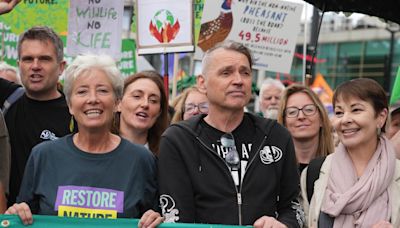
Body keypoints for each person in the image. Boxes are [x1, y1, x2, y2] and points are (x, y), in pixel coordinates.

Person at [5, 54, 162, 228]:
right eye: (82, 91)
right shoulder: (43, 156)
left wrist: (155, 219)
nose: (92, 99)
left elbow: (153, 216)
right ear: (70, 105)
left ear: (117, 102)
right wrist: (16, 215)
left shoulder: (142, 160)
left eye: (102, 90)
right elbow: (24, 218)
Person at [158, 41, 303, 227]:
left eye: (245, 72)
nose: (238, 80)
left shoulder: (276, 135)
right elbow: (176, 217)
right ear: (202, 83)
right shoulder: (179, 140)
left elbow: (293, 206)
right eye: (226, 72)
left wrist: (284, 225)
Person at [300, 78, 400, 228]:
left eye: (356, 110)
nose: (345, 119)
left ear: (381, 117)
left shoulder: (397, 174)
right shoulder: (315, 172)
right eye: (339, 112)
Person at [0, 26, 71, 206]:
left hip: (54, 220)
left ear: (61, 67)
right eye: (28, 59)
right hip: (10, 218)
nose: (35, 66)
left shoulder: (76, 114)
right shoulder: (8, 98)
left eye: (45, 59)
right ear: (19, 65)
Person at [277, 84, 334, 173]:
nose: (301, 116)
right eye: (292, 112)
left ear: (321, 118)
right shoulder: (274, 171)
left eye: (309, 110)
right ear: (284, 122)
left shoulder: (338, 167)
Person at [113, 71, 169, 156]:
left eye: (153, 100)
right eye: (137, 96)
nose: (145, 104)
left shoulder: (168, 156)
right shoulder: (97, 148)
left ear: (159, 112)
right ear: (118, 103)